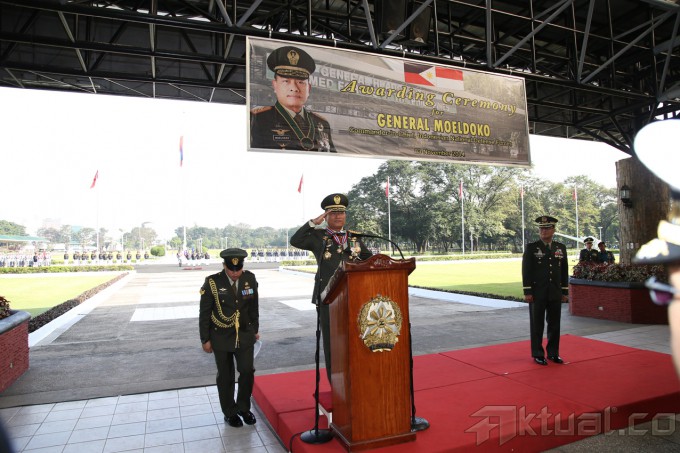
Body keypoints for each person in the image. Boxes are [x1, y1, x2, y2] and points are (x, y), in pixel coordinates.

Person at [290, 193, 372, 381]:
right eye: (332, 213)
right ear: (326, 216)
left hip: (353, 295)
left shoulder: (353, 237)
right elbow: (295, 240)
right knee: (332, 341)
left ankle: (355, 378)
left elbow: (369, 259)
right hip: (328, 297)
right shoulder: (318, 236)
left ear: (345, 215)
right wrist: (314, 223)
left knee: (355, 337)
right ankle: (335, 382)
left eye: (341, 213)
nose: (337, 216)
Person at [199, 248, 260, 428]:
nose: (235, 273)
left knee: (247, 371)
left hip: (245, 334)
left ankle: (243, 407)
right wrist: (205, 339)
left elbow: (254, 307)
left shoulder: (250, 279)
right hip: (220, 336)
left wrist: (255, 329)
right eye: (231, 269)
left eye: (238, 269)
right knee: (225, 376)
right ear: (224, 265)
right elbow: (204, 313)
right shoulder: (212, 282)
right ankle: (229, 412)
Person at [250, 45, 335, 152]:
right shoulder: (257, 119)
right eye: (286, 81)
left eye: (301, 82)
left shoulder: (322, 123)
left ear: (308, 88)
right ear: (275, 85)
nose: (294, 88)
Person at [522, 215, 569, 366]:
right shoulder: (532, 247)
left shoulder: (560, 248)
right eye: (541, 228)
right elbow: (526, 271)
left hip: (555, 292)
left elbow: (564, 270)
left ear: (553, 230)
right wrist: (528, 291)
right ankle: (538, 353)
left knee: (554, 324)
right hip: (537, 293)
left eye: (547, 228)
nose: (543, 231)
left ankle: (553, 353)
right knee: (537, 325)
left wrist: (564, 292)